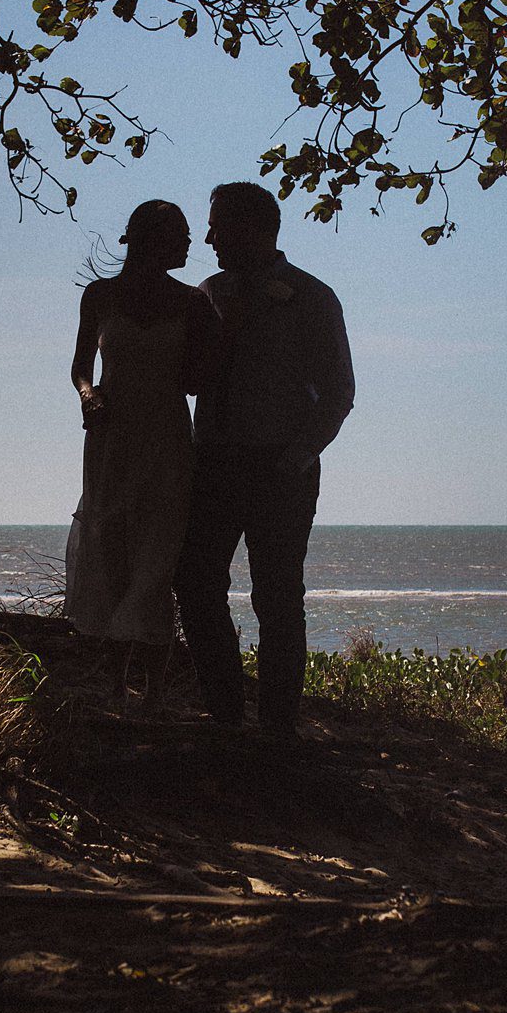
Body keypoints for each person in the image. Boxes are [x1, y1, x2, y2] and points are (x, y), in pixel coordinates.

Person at [174, 180, 354, 736]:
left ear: (253, 228)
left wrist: (298, 458)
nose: (207, 237)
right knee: (197, 585)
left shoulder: (313, 296)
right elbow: (191, 377)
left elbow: (339, 390)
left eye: (217, 225)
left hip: (282, 467)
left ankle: (277, 728)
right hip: (213, 464)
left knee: (277, 598)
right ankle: (227, 713)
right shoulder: (208, 293)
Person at [64, 200, 217, 691]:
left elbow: (198, 379)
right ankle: (113, 680)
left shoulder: (193, 302)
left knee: (157, 553)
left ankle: (152, 689)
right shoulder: (100, 295)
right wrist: (89, 396)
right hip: (111, 435)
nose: (192, 244)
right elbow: (80, 366)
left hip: (167, 437)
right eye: (182, 235)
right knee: (109, 545)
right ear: (153, 240)